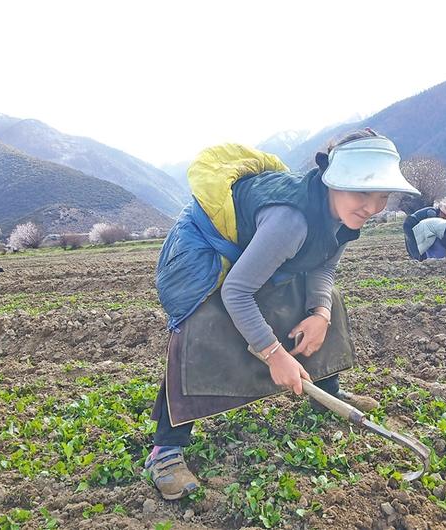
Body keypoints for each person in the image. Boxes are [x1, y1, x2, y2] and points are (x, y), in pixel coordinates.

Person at [145, 129, 421, 500]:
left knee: (326, 298)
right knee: (202, 323)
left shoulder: (343, 217)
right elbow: (236, 291)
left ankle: (327, 393)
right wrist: (275, 355)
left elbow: (323, 266)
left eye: (382, 196)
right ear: (332, 180)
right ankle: (166, 449)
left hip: (255, 251)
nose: (371, 208)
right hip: (201, 255)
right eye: (361, 193)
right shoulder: (291, 221)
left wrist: (320, 314)